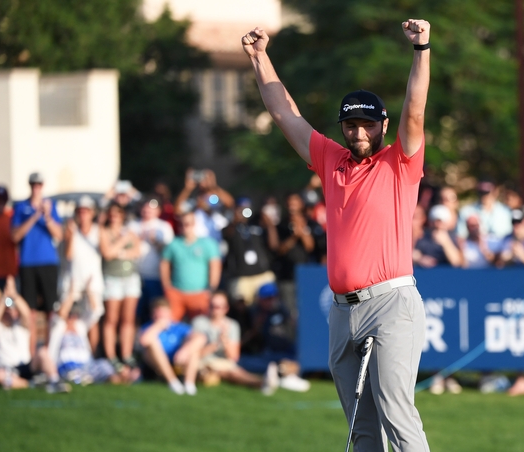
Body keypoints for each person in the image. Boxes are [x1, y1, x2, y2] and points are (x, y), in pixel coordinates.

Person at [242, 18, 432, 451]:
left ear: (383, 125)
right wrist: (259, 58)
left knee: (396, 412)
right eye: (351, 125)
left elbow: (416, 109)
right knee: (360, 429)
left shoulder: (399, 162)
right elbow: (283, 112)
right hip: (342, 312)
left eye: (368, 125)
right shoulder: (332, 160)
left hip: (391, 304)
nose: (359, 132)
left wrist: (421, 50)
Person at [191, 291, 297, 394]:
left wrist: (225, 341)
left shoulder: (232, 325)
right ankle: (265, 382)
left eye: (218, 307)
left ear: (226, 308)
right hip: (202, 363)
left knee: (235, 371)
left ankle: (265, 381)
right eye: (212, 306)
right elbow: (194, 353)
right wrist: (215, 345)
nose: (215, 310)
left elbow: (233, 357)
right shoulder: (199, 322)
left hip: (224, 363)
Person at [12, 172, 63, 356]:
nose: (36, 187)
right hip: (28, 263)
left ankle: (49, 354)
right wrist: (35, 215)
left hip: (48, 262)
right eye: (33, 184)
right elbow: (15, 236)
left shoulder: (52, 206)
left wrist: (47, 216)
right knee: (30, 313)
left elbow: (59, 234)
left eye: (39, 184)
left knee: (50, 311)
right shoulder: (21, 207)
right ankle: (32, 356)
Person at [49, 278, 136, 385]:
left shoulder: (80, 326)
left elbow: (96, 312)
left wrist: (89, 291)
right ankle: (95, 379)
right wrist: (72, 293)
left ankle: (119, 378)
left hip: (86, 364)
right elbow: (61, 315)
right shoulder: (57, 327)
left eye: (75, 313)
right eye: (70, 314)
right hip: (67, 364)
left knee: (104, 364)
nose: (73, 316)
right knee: (75, 374)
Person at [0, 277, 69, 393]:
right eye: (7, 308)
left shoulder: (21, 325)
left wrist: (14, 295)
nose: (9, 310)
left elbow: (26, 312)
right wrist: (4, 298)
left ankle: (55, 381)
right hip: (5, 369)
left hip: (25, 366)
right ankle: (32, 384)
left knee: (43, 352)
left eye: (12, 308)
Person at [99, 203, 142, 371]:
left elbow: (137, 251)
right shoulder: (104, 231)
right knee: (111, 319)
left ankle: (126, 354)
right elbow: (107, 253)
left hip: (130, 278)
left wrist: (120, 252)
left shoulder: (130, 231)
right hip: (112, 278)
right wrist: (123, 242)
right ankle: (111, 355)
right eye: (112, 213)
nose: (114, 217)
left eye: (118, 213)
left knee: (128, 319)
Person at [62, 195, 105, 354]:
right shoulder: (71, 231)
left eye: (86, 211)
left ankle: (91, 355)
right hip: (73, 282)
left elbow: (106, 252)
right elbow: (68, 254)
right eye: (80, 211)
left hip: (92, 282)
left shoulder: (98, 230)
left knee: (92, 320)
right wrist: (72, 233)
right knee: (68, 320)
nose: (83, 215)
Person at [160, 211, 221, 322]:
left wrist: (211, 289)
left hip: (200, 293)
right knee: (171, 323)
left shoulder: (208, 244)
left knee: (200, 324)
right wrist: (167, 286)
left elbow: (215, 267)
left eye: (188, 223)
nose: (185, 226)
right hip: (176, 292)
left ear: (194, 224)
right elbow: (164, 265)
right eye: (182, 224)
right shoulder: (173, 244)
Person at [138, 297, 205, 395]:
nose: (160, 316)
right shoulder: (148, 328)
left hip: (177, 362)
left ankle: (189, 383)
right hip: (154, 365)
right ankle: (172, 382)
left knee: (194, 350)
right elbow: (143, 341)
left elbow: (201, 338)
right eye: (158, 313)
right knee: (152, 342)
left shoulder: (177, 327)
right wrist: (158, 326)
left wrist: (185, 350)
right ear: (153, 314)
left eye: (163, 312)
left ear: (169, 313)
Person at [222, 200, 277, 307]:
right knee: (241, 306)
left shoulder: (257, 226)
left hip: (262, 274)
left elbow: (274, 245)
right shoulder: (230, 228)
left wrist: (269, 224)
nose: (244, 212)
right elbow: (227, 235)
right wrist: (234, 221)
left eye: (246, 209)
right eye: (241, 209)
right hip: (242, 277)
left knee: (269, 304)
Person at [129, 196, 175, 322]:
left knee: (155, 311)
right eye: (145, 206)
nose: (147, 210)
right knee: (134, 314)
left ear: (159, 210)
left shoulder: (164, 227)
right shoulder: (132, 225)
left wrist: (156, 242)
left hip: (156, 276)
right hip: (134, 276)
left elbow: (169, 254)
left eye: (151, 207)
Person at [175, 169, 234, 243]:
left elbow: (231, 203)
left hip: (215, 248)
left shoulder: (218, 204)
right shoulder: (194, 204)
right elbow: (177, 210)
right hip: (197, 247)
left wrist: (213, 186)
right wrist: (188, 188)